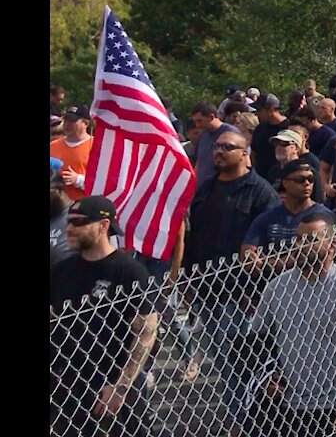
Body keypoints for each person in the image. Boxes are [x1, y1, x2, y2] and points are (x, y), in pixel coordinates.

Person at [182, 130, 278, 433]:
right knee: (224, 363)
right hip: (208, 291)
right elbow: (193, 237)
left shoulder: (260, 191)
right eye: (216, 147)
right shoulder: (206, 189)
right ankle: (237, 419)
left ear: (244, 153)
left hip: (243, 295)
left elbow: (269, 245)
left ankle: (247, 422)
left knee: (244, 363)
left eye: (227, 147)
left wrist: (259, 291)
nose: (218, 152)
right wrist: (187, 277)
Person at [250, 212, 336, 437]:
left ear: (332, 245)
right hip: (289, 405)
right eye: (298, 239)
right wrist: (266, 377)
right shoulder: (276, 288)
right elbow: (257, 340)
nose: (300, 246)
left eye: (310, 240)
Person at [50, 196, 161, 437]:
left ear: (103, 225)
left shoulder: (128, 271)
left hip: (112, 385)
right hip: (69, 385)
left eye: (79, 222)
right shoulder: (61, 272)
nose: (69, 228)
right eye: (69, 221)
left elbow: (145, 333)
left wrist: (121, 387)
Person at [241, 159, 336, 278]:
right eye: (300, 179)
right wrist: (253, 259)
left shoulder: (323, 217)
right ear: (285, 183)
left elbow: (310, 258)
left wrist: (265, 264)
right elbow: (247, 255)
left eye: (311, 179)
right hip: (270, 284)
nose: (307, 183)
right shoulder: (268, 217)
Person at [192, 100, 241, 190]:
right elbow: (199, 163)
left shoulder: (231, 133)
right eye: (195, 121)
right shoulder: (202, 135)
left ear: (211, 117)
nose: (197, 125)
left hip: (222, 190)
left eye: (200, 121)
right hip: (201, 191)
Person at [51, 104, 95, 202]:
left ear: (86, 123)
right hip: (55, 206)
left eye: (73, 121)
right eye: (66, 119)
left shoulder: (96, 147)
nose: (67, 124)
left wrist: (78, 180)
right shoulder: (52, 146)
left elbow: (104, 182)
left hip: (82, 207)